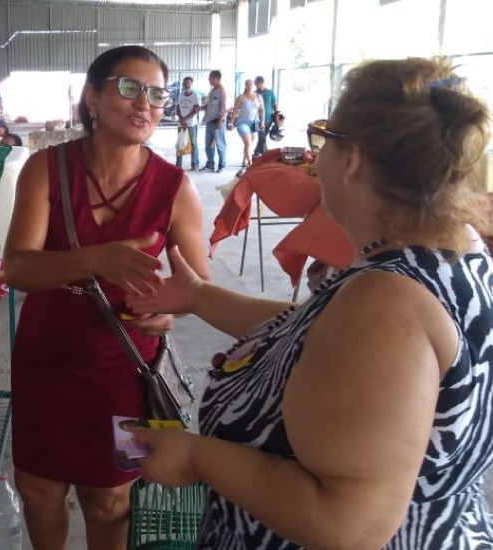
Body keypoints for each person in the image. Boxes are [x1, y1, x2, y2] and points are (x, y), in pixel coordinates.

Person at [125, 57, 493, 548]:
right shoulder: (451, 251)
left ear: (353, 158)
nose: (317, 159)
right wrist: (199, 296)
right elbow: (318, 339)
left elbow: (346, 522)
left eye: (323, 141)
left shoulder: (386, 303)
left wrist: (195, 457)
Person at [3, 45, 210, 550]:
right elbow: (18, 270)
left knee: (111, 501)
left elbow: (196, 288)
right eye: (129, 88)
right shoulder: (45, 170)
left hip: (126, 367)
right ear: (92, 98)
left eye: (157, 93)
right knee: (39, 490)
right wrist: (97, 258)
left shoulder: (175, 187)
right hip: (45, 360)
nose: (146, 103)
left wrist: (167, 310)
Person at [228, 79, 265, 168]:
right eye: (248, 84)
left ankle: (244, 160)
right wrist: (231, 123)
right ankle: (250, 164)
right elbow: (235, 110)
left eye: (251, 84)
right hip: (242, 123)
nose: (250, 86)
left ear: (254, 85)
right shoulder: (241, 97)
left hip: (254, 123)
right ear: (245, 85)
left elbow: (262, 110)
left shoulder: (258, 97)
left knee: (248, 144)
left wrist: (262, 121)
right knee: (248, 143)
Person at [200, 70, 226, 173]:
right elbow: (210, 105)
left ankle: (221, 165)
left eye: (210, 78)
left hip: (217, 121)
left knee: (220, 144)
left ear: (216, 78)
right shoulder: (212, 91)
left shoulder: (221, 91)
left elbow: (223, 108)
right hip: (210, 121)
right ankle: (210, 164)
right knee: (208, 145)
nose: (209, 80)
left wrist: (220, 121)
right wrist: (201, 108)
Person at [175, 76, 202, 171]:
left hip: (191, 124)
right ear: (183, 85)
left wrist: (185, 119)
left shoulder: (195, 96)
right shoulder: (180, 95)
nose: (187, 85)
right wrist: (181, 119)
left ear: (192, 84)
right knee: (180, 143)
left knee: (193, 143)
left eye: (188, 83)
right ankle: (178, 165)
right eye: (185, 83)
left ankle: (195, 164)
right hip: (181, 124)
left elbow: (195, 110)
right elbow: (178, 108)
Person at [253, 75, 278, 158]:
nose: (256, 86)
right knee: (262, 136)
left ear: (261, 83)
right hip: (257, 119)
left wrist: (276, 114)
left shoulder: (270, 93)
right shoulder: (254, 93)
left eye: (257, 84)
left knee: (262, 136)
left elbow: (274, 104)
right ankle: (262, 153)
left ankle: (260, 153)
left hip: (268, 118)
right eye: (255, 84)